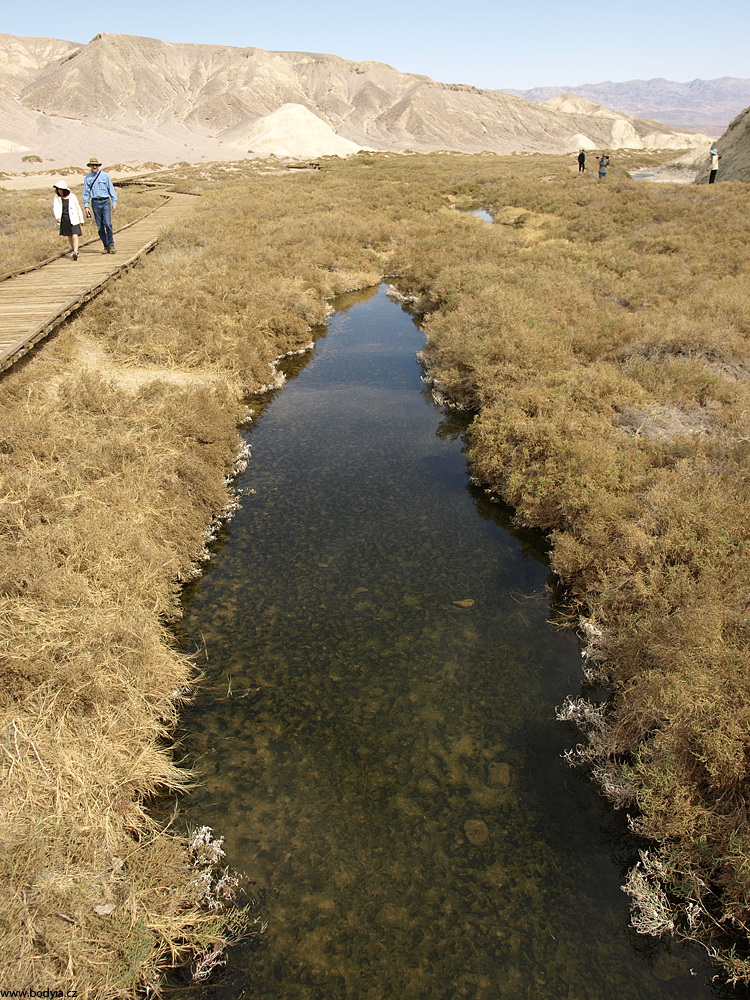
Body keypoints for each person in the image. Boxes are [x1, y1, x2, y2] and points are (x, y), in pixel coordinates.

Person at [82, 156, 118, 253]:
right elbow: (86, 192)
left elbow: (111, 189)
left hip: (105, 201)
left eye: (96, 165)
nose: (94, 167)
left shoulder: (105, 176)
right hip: (95, 202)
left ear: (98, 166)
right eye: (92, 165)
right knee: (100, 226)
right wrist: (86, 205)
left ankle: (111, 244)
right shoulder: (88, 178)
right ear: (90, 166)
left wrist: (114, 202)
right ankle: (106, 246)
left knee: (108, 224)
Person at [52, 180, 84, 260]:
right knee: (69, 236)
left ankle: (76, 251)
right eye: (58, 189)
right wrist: (57, 217)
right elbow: (56, 207)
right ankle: (74, 249)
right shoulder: (57, 197)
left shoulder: (72, 196)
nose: (59, 191)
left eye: (60, 189)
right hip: (64, 219)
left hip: (74, 218)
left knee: (75, 235)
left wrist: (81, 219)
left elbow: (78, 207)